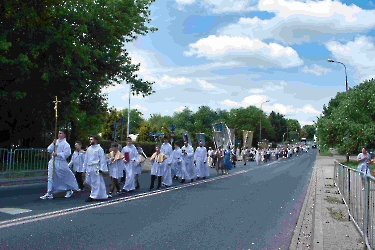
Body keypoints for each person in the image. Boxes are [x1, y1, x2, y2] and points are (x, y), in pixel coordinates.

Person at [40, 129, 78, 200]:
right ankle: (49, 192)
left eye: (61, 133)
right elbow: (49, 149)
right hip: (53, 161)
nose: (59, 135)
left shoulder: (66, 144)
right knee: (50, 177)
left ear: (64, 135)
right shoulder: (56, 142)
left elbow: (67, 153)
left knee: (64, 176)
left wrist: (58, 154)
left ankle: (69, 189)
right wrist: (53, 144)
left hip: (61, 162)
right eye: (58, 133)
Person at [83, 135, 108, 202]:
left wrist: (102, 169)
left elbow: (102, 159)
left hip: (96, 167)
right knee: (89, 181)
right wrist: (84, 169)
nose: (90, 141)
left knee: (96, 182)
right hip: (89, 167)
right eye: (90, 139)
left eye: (91, 139)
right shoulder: (89, 149)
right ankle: (102, 194)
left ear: (95, 140)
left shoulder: (99, 149)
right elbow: (86, 159)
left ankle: (93, 196)